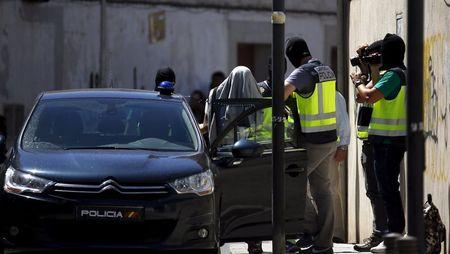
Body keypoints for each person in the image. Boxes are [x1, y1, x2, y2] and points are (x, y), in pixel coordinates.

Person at [351, 34, 407, 253]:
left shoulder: (394, 75)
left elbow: (368, 96)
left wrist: (358, 82)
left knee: (388, 191)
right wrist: (368, 73)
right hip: (388, 140)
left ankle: (393, 238)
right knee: (387, 190)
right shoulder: (396, 74)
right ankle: (392, 237)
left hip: (388, 141)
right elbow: (364, 96)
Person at [283, 37, 338, 254]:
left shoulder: (302, 72)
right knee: (322, 190)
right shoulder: (326, 70)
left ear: (292, 57)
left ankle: (311, 230)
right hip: (329, 139)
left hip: (313, 142)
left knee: (291, 184)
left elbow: (281, 94)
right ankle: (324, 244)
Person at [353, 40, 389, 252]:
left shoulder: (385, 78)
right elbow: (361, 98)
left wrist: (363, 77)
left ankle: (383, 234)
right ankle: (381, 233)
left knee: (381, 190)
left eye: (370, 58)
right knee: (373, 190)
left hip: (379, 140)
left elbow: (368, 95)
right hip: (370, 139)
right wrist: (363, 69)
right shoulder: (373, 76)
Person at [201, 66, 261, 142]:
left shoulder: (214, 94)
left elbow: (206, 125)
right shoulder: (256, 95)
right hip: (225, 150)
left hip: (221, 148)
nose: (242, 88)